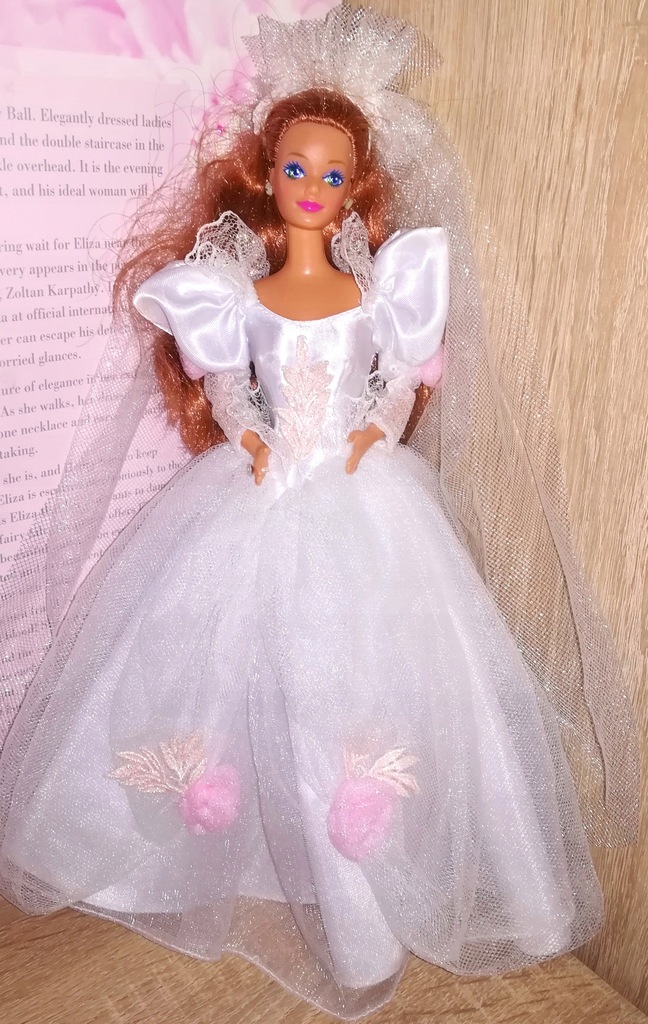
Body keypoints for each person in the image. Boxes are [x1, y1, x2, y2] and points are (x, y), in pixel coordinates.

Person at [0, 7, 639, 1019]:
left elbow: (395, 377)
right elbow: (229, 385)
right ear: (267, 175)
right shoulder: (238, 296)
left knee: (363, 671)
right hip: (257, 493)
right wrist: (251, 436)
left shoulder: (377, 292)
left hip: (359, 492)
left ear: (356, 188)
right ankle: (227, 854)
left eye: (332, 174)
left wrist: (374, 429)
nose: (311, 187)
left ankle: (371, 884)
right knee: (235, 665)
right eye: (296, 168)